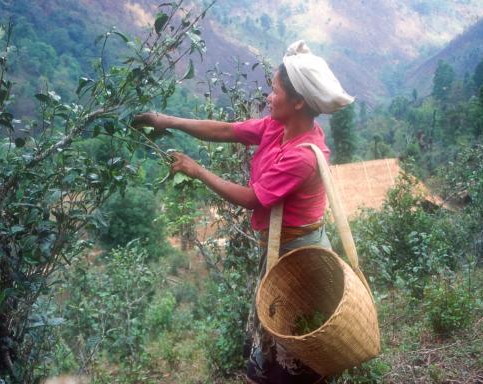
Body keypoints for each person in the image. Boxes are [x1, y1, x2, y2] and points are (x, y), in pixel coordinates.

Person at [134, 40, 354, 384]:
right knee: (277, 339)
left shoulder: (302, 156)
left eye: (275, 90)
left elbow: (253, 198)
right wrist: (166, 121)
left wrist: (199, 171)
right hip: (280, 249)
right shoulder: (277, 128)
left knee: (293, 345)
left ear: (298, 102)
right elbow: (225, 131)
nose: (269, 96)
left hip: (300, 258)